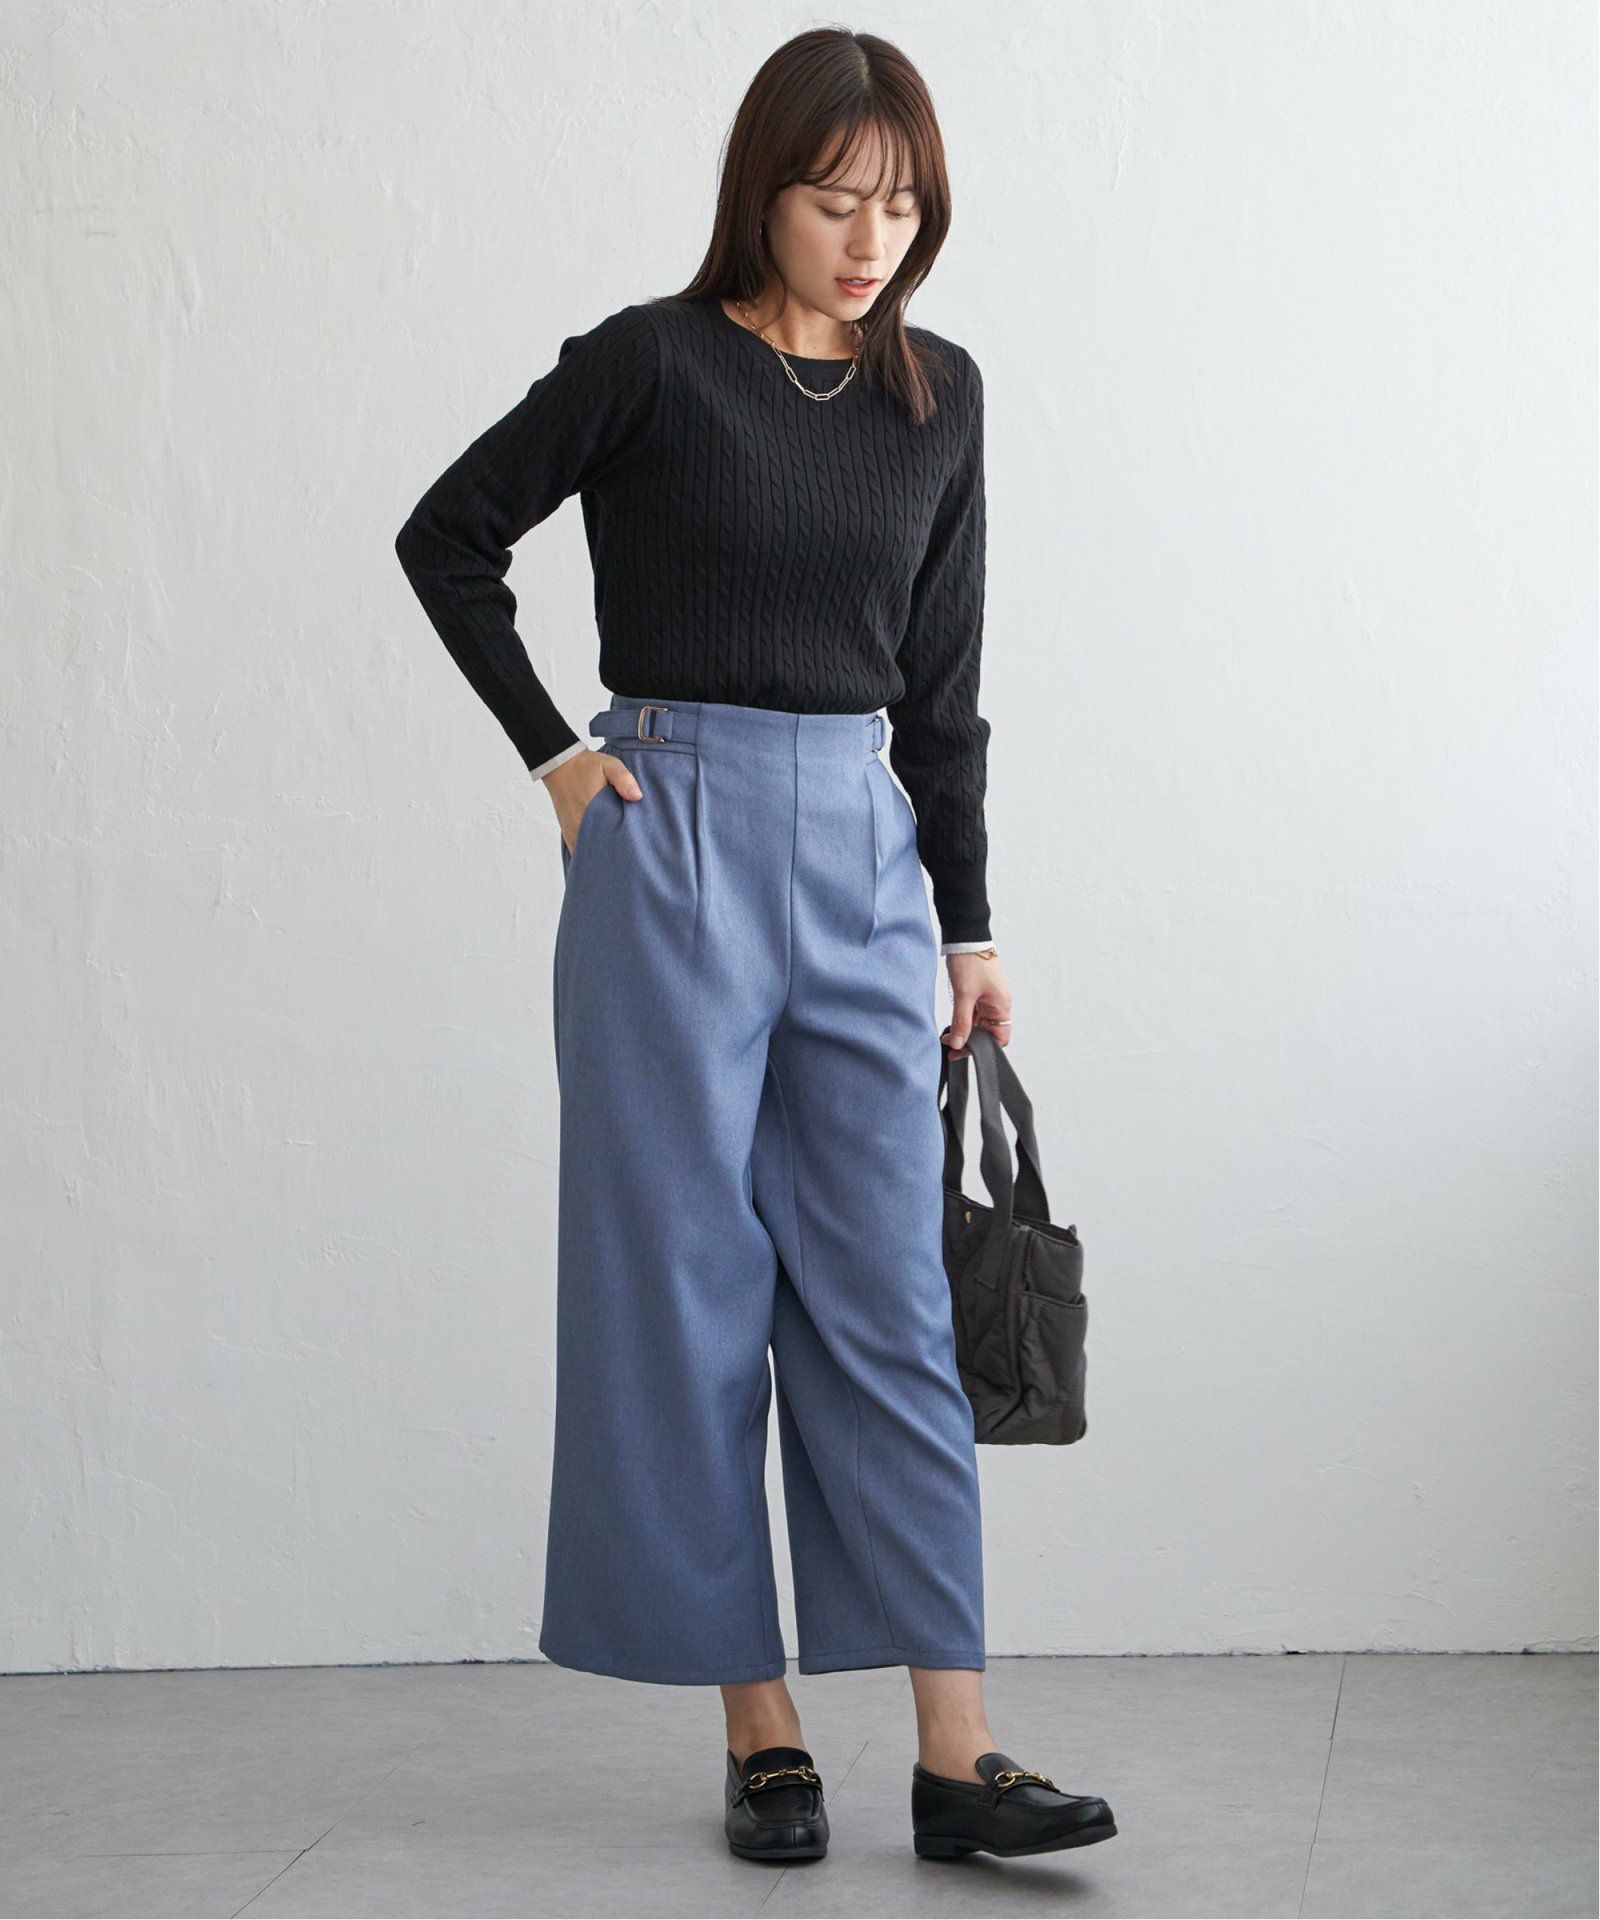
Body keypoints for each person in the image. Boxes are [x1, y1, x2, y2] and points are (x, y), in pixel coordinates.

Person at [394, 24, 1116, 1868]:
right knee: (688, 1290)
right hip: (674, 839)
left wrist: (967, 921)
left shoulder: (939, 396)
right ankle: (761, 1725)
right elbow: (447, 535)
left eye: (903, 206)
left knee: (890, 1296)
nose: (872, 240)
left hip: (863, 849)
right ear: (760, 192)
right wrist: (561, 758)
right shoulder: (650, 363)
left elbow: (943, 690)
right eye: (833, 199)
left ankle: (956, 1753)